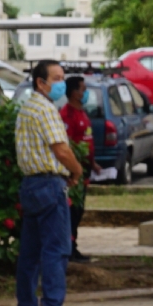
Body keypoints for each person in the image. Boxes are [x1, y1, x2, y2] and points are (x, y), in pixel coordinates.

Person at [16, 59, 86, 306]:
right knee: (57, 248)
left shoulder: (27, 107)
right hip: (49, 183)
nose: (61, 83)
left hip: (31, 185)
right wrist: (77, 171)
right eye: (56, 78)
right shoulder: (45, 110)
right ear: (41, 82)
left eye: (62, 77)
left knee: (31, 249)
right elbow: (61, 150)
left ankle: (27, 304)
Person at [60, 76, 93, 264]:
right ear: (74, 92)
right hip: (75, 172)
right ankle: (70, 248)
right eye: (83, 89)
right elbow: (68, 145)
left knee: (79, 210)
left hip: (86, 170)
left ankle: (74, 246)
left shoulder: (82, 113)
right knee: (73, 211)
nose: (85, 93)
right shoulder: (67, 115)